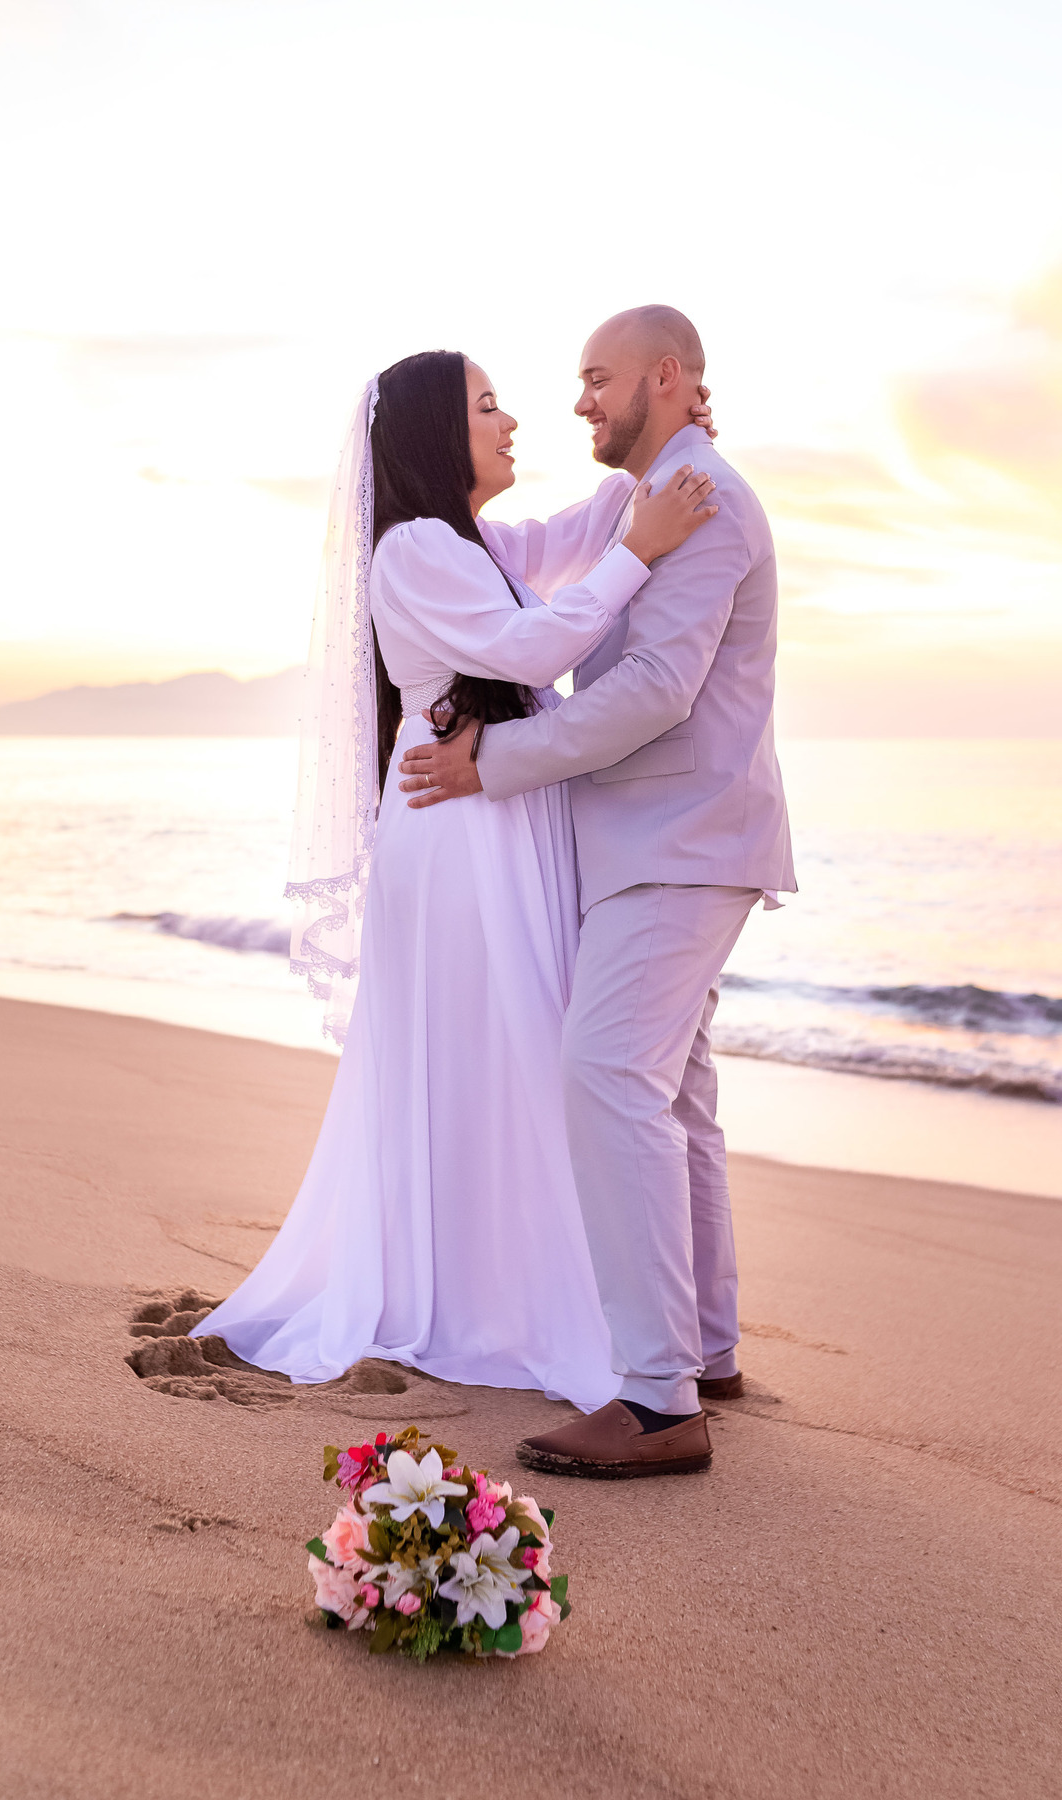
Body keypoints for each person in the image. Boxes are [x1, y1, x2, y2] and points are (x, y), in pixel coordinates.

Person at [191, 347, 716, 1412]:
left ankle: (511, 1284)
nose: (512, 419)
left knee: (513, 1047)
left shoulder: (470, 541)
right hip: (459, 835)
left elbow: (574, 537)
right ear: (439, 431)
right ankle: (494, 1299)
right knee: (506, 1047)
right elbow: (529, 651)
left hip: (492, 820)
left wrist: (663, 438)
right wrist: (640, 553)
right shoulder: (416, 548)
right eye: (487, 405)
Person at [398, 306, 797, 1479]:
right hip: (652, 839)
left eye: (596, 380)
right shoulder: (652, 495)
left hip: (680, 839)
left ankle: (660, 1402)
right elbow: (558, 569)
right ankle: (704, 1351)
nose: (576, 401)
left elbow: (657, 691)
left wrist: (494, 764)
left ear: (665, 379)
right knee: (673, 1100)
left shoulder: (704, 498)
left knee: (607, 1074)